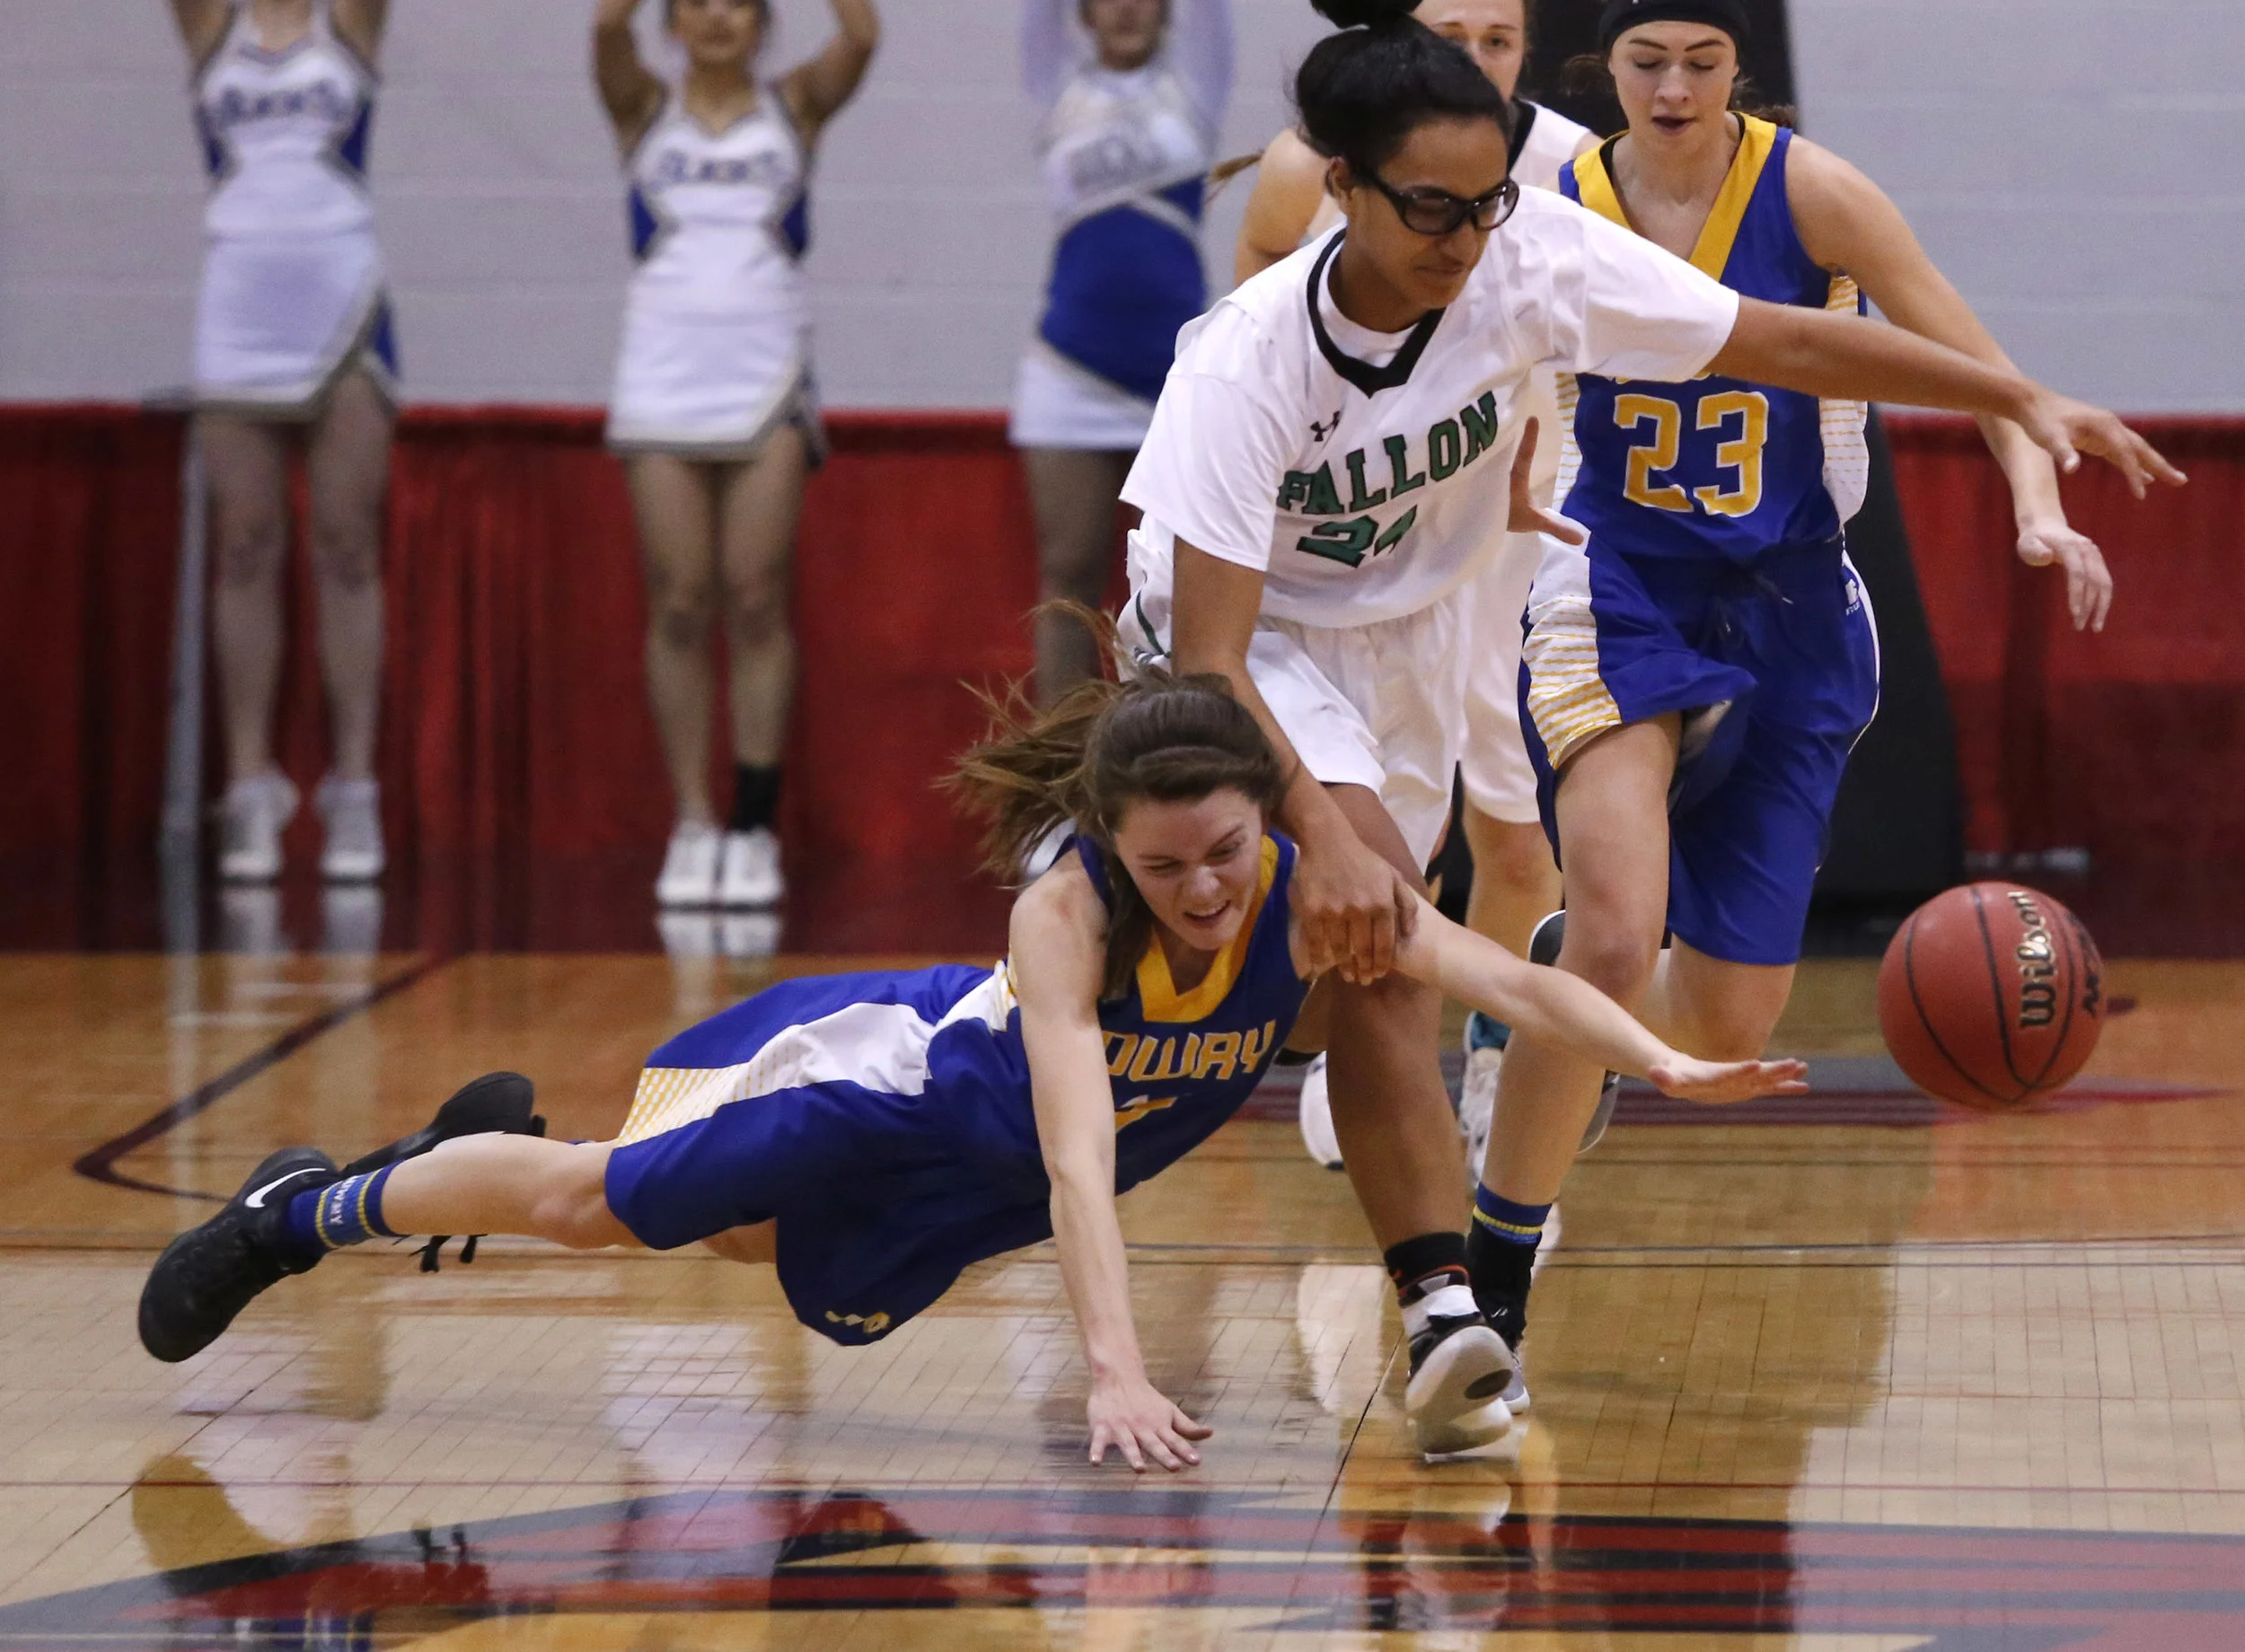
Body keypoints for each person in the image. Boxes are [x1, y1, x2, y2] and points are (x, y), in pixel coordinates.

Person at [1114, 0, 2179, 1425]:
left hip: (1445, 628)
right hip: (1269, 647)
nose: (1471, 238)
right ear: (1341, 190)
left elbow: (1786, 339)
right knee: (1386, 946)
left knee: (1480, 970)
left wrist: (2013, 395)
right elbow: (1220, 657)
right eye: (1432, 209)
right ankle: (1453, 1306)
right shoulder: (1243, 366)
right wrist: (1334, 836)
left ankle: (1452, 1235)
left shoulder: (1535, 252)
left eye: (1488, 201)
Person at [136, 655, 1808, 1468]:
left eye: (1226, 850)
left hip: (958, 1186)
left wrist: (1665, 1054)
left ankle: (466, 1152)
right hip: (872, 1092)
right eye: (1171, 870)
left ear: (1261, 814)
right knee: (597, 1207)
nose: (1209, 887)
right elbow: (1082, 1156)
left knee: (743, 1250)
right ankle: (302, 1210)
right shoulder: (1067, 921)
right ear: (1110, 851)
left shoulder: (1304, 890)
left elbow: (1499, 986)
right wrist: (1110, 1364)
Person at [1469, 0, 2184, 1400]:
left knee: (1726, 1018)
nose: (1674, 91)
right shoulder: (1554, 196)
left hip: (1792, 609)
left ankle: (1572, 1002)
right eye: (1648, 63)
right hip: (1620, 588)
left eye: (1705, 63)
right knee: (1614, 930)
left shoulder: (1818, 193)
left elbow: (1979, 373)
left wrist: (2042, 513)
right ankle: (1487, 1290)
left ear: (1747, 67)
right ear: (1608, 67)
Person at [1229, 0, 1596, 1177]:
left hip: (1523, 533)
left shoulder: (1566, 172)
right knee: (1402, 827)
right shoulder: (1305, 175)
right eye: (1453, 39)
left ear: (1526, 50)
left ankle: (1492, 1058)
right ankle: (1376, 1057)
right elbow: (1251, 321)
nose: (1476, 60)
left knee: (1517, 830)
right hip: (1382, 533)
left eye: (1499, 40)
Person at [595, 0, 879, 909]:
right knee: (678, 603)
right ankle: (693, 820)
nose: (716, 14)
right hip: (659, 381)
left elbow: (861, 32)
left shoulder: (791, 106)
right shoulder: (641, 106)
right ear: (675, 19)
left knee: (754, 598)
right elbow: (601, 22)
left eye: (735, 0)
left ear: (761, 20)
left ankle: (753, 822)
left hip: (765, 382)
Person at [156, 0, 396, 883]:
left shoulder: (353, 25)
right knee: (245, 546)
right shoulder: (210, 28)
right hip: (237, 315)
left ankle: (352, 787)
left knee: (345, 546)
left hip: (344, 310)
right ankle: (250, 781)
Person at [1012, 0, 1234, 706]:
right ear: (1082, 8)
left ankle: (1169, 767)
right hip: (1067, 372)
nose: (1127, 4)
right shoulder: (1054, 88)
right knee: (1069, 575)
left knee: (1180, 583)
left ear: (1168, 6)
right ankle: (1061, 789)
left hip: (1176, 377)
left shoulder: (1196, 88)